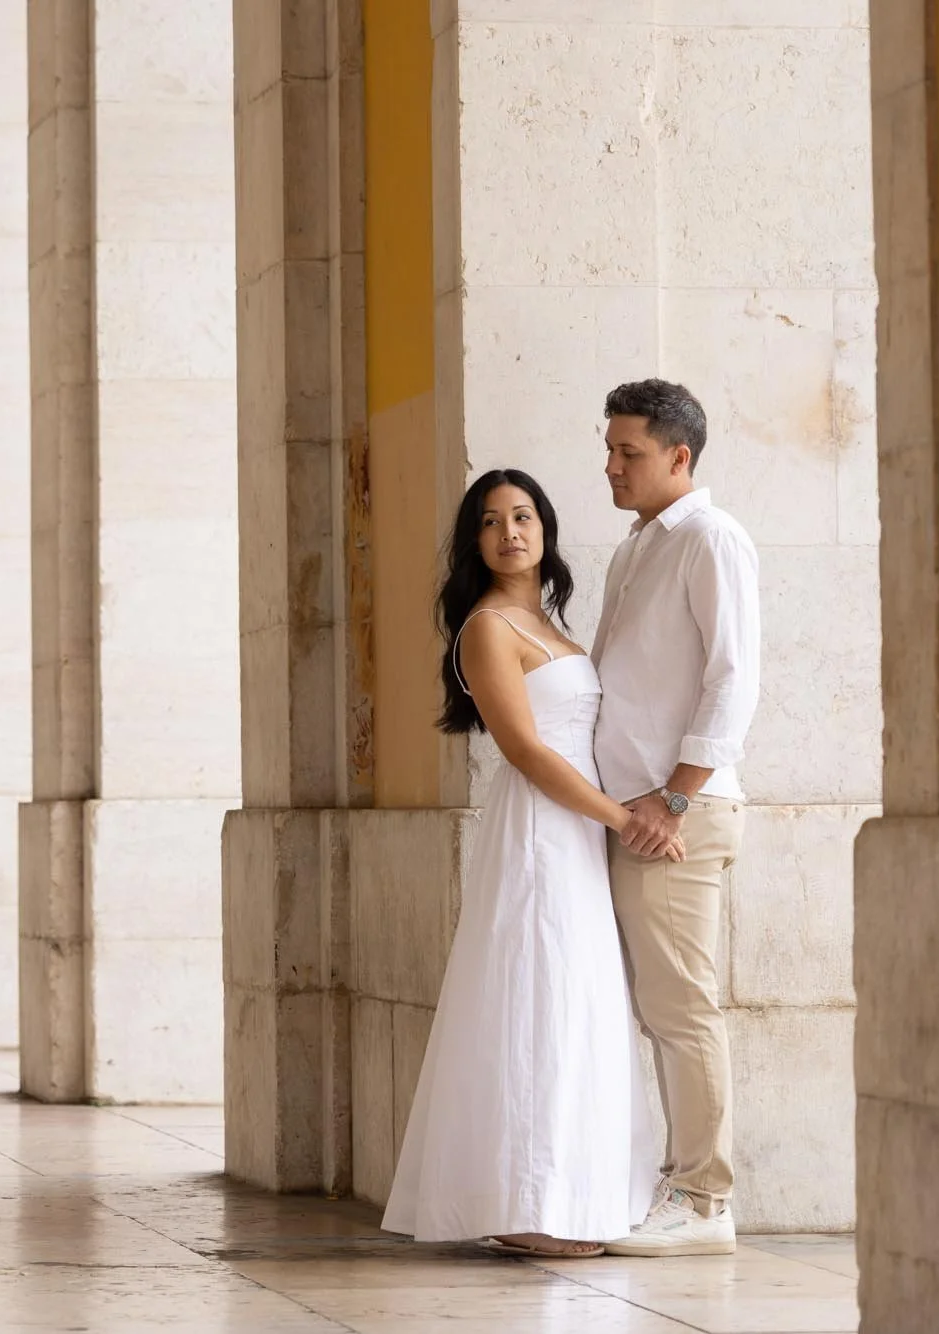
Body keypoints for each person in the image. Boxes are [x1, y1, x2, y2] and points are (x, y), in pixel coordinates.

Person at [381, 468, 669, 1258]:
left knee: (578, 1003)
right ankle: (524, 1202)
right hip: (544, 832)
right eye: (490, 521)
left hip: (578, 832)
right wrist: (623, 818)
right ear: (475, 542)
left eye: (523, 515)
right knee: (536, 999)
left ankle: (578, 1192)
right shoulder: (487, 627)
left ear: (544, 527)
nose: (510, 531)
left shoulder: (551, 623)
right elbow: (524, 748)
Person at [592, 380, 761, 1258]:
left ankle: (703, 1201)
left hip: (677, 817)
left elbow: (735, 677)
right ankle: (669, 1180)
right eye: (610, 447)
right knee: (653, 1008)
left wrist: (675, 795)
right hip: (629, 817)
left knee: (681, 1007)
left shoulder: (710, 538)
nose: (611, 465)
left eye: (630, 452)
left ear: (680, 457)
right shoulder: (634, 549)